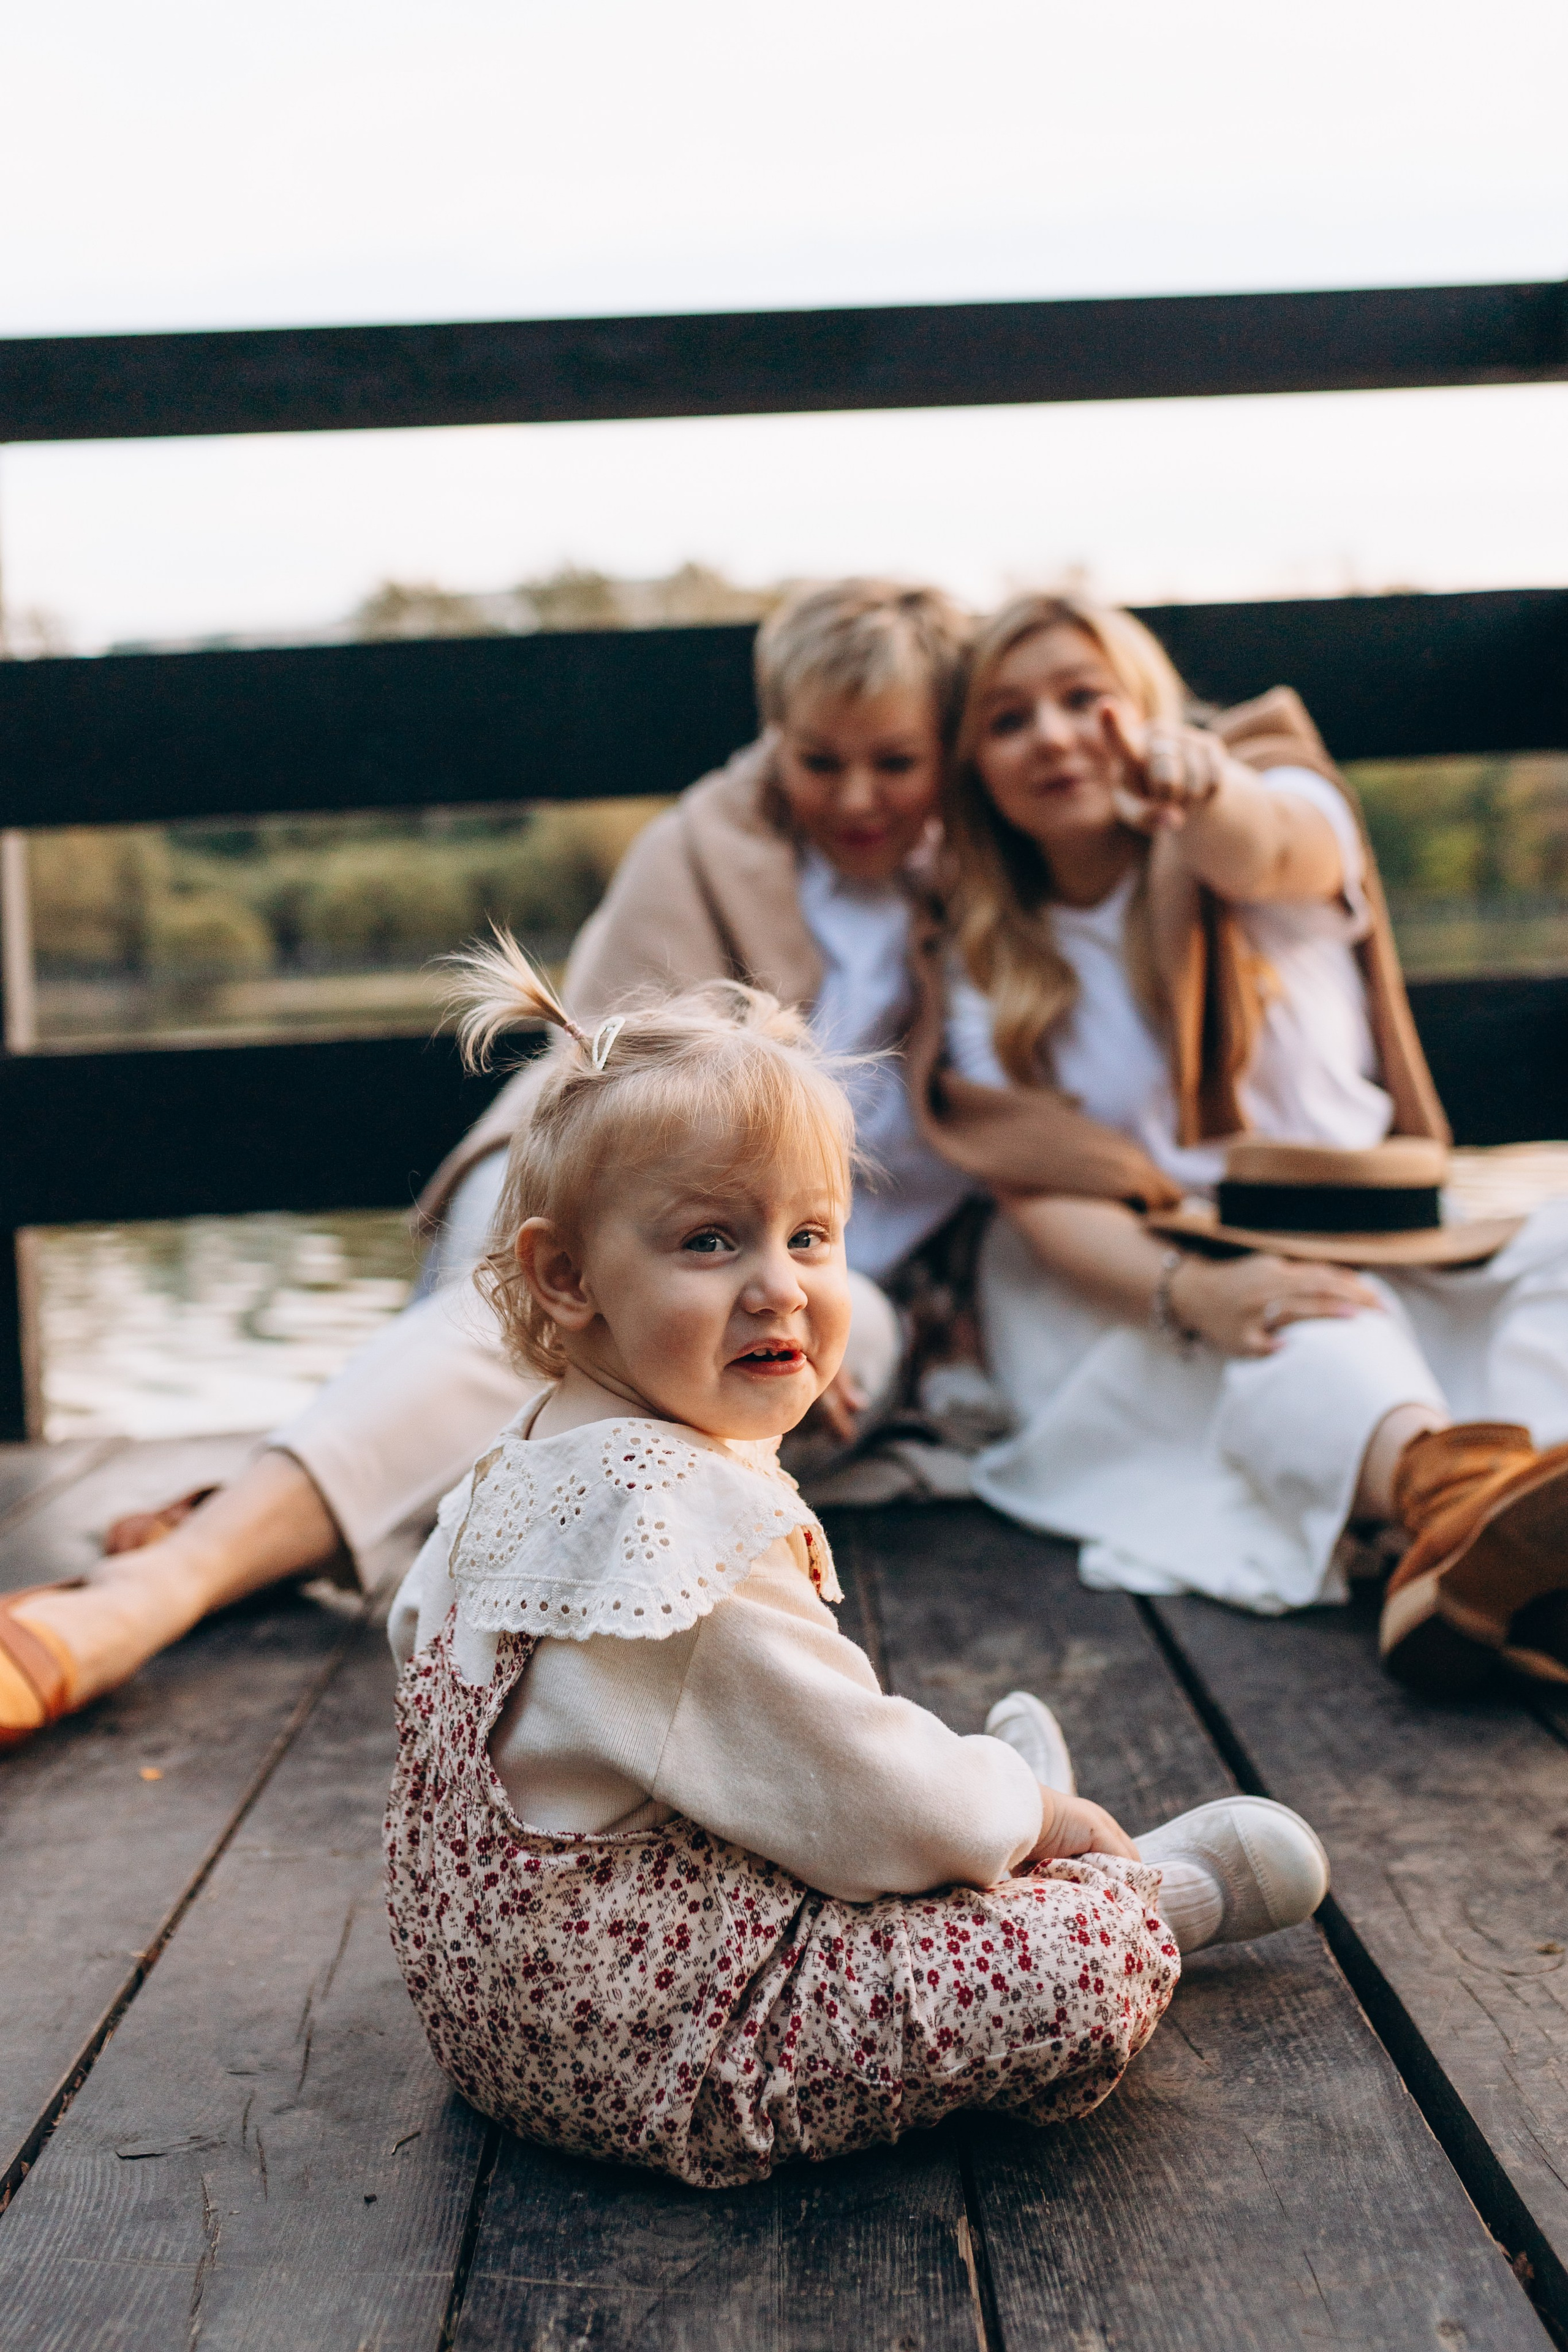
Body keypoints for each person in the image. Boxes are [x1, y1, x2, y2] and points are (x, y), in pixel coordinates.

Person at [382, 948, 1329, 2187]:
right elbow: (851, 1784)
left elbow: (419, 1627)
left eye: (811, 1234)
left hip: (495, 2017)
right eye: (710, 1241)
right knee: (1068, 1971)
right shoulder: (673, 1531)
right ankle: (1139, 1890)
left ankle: (976, 1841)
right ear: (567, 1276)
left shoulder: (524, 1458)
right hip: (662, 2054)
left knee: (848, 1807)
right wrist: (1036, 1819)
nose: (779, 1287)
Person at [0, 578, 983, 1750]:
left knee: (843, 1331)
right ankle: (149, 1595)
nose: (858, 796)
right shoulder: (704, 849)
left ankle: (267, 1517)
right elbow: (609, 1098)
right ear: (776, 741)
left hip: (815, 1266)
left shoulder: (991, 880)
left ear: (952, 748)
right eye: (821, 761)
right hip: (594, 1187)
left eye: (896, 761)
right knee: (532, 1327)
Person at [930, 592, 1568, 1692]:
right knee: (1310, 1329)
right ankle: (1449, 1503)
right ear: (975, 767)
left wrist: (1205, 789)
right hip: (1157, 1270)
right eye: (1008, 719)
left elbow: (1277, 853)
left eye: (1085, 698)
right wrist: (1199, 1291)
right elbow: (1040, 1188)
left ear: (1147, 706)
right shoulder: (987, 957)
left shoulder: (1269, 781)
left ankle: (1509, 1510)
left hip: (1387, 1233)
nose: (1054, 735)